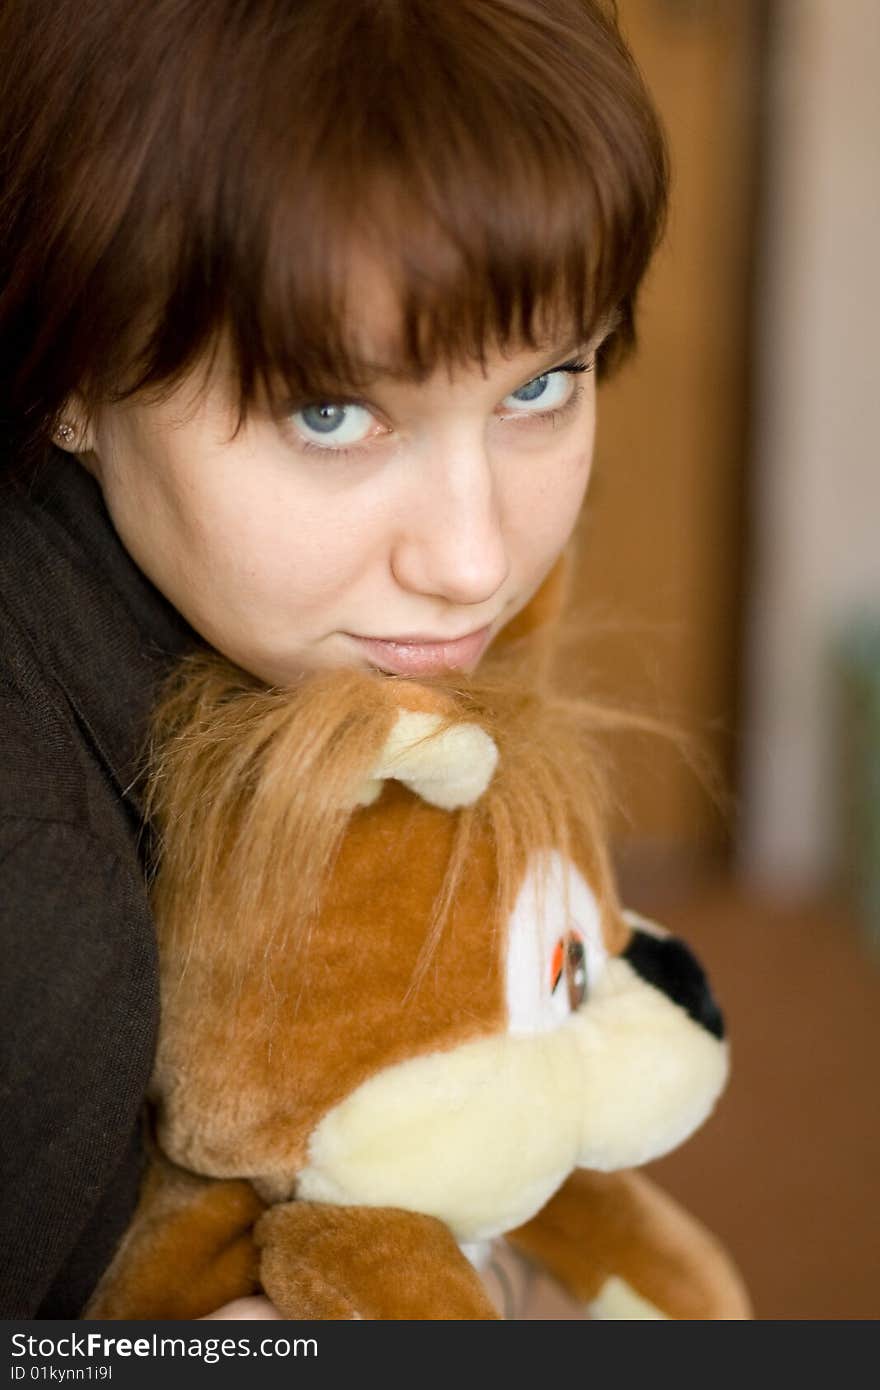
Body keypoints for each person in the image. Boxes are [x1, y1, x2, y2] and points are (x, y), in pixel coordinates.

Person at [0, 0, 667, 1318]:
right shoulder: (44, 908)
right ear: (74, 373)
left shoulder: (298, 608)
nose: (474, 561)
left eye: (543, 385)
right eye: (333, 411)